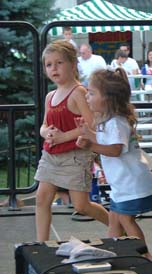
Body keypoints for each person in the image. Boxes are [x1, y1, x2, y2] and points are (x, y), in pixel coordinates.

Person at [76, 68, 152, 262]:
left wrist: (91, 145)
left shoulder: (116, 123)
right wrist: (88, 134)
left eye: (91, 93)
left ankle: (144, 254)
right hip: (123, 184)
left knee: (125, 219)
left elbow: (115, 149)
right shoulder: (108, 122)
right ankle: (113, 250)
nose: (87, 97)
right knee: (114, 219)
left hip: (131, 183)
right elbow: (104, 141)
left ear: (107, 98)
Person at [34, 40, 109, 242]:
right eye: (49, 65)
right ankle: (41, 244)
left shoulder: (78, 93)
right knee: (42, 199)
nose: (54, 68)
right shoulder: (50, 96)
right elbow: (44, 125)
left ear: (73, 64)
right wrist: (46, 133)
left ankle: (115, 223)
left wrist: (63, 136)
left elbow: (91, 125)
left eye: (59, 63)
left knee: (81, 205)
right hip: (51, 154)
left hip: (75, 155)